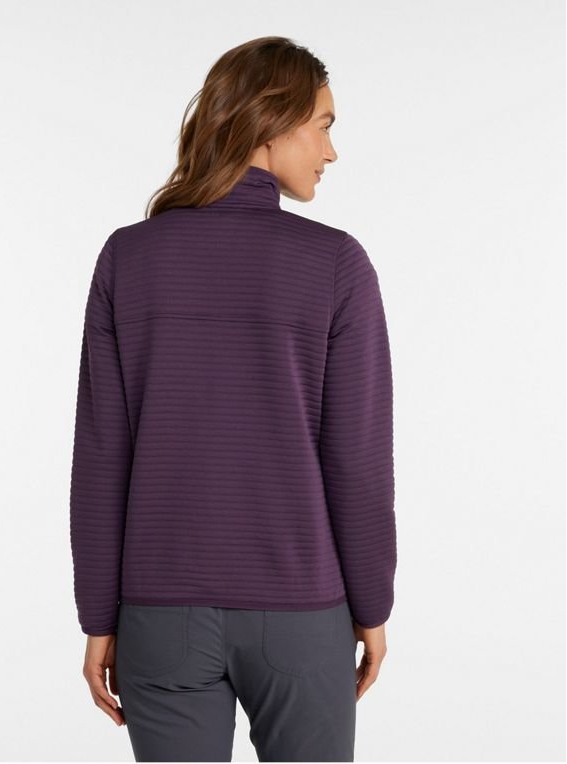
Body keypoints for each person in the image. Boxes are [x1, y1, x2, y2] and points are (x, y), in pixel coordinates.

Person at [69, 35, 397, 762]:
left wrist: (99, 616)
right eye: (323, 125)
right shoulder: (336, 264)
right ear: (269, 122)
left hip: (158, 616)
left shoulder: (127, 257)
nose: (331, 151)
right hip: (302, 613)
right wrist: (372, 607)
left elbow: (101, 457)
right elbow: (357, 460)